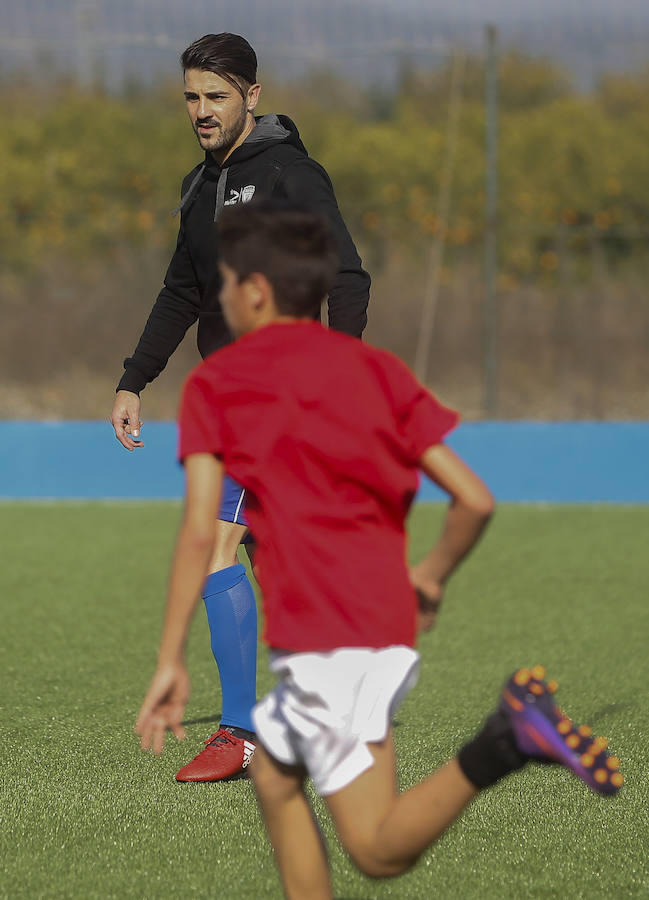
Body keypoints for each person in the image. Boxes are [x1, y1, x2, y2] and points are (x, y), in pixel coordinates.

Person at [135, 203, 622, 898]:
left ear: (255, 291)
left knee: (376, 851)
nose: (217, 297)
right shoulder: (376, 370)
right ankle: (503, 741)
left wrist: (169, 658)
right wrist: (430, 574)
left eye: (223, 282)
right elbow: (474, 500)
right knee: (274, 775)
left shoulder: (218, 385)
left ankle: (503, 742)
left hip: (327, 643)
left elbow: (196, 533)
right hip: (379, 623)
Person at [110, 33, 370, 782]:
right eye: (191, 96)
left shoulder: (290, 173)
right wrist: (135, 378)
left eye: (216, 96)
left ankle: (241, 731)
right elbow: (180, 292)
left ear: (252, 97)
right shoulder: (197, 187)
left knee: (215, 549)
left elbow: (347, 276)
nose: (201, 110)